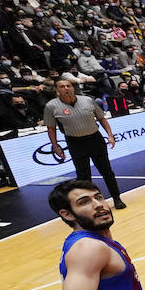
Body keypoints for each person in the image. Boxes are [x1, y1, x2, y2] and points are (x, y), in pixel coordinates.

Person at [44, 78, 124, 209]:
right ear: (57, 90)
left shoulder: (87, 100)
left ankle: (117, 198)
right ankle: (89, 203)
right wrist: (55, 145)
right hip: (75, 142)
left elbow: (101, 118)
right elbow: (51, 128)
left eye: (68, 86)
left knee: (107, 171)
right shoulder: (51, 106)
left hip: (95, 139)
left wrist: (110, 135)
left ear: (73, 87)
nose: (66, 88)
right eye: (62, 86)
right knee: (83, 176)